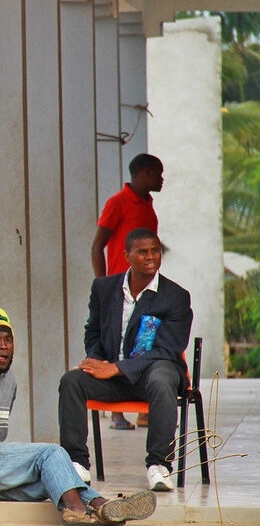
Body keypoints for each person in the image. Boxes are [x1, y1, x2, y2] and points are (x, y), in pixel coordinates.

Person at [0, 304, 156, 526]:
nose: (3, 346)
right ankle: (76, 512)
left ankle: (103, 506)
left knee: (51, 478)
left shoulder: (8, 380)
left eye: (8, 339)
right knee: (52, 453)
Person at [59, 228, 193, 492]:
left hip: (152, 375)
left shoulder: (175, 297)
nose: (150, 257)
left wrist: (116, 368)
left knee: (162, 377)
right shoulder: (104, 288)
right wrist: (95, 361)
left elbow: (167, 349)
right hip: (113, 378)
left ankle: (159, 465)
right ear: (127, 255)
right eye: (142, 252)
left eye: (155, 251)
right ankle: (76, 463)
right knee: (72, 381)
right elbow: (93, 331)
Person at [91, 153, 164, 431]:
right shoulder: (118, 202)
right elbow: (97, 245)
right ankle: (116, 413)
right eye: (158, 173)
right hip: (119, 288)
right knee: (114, 344)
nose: (161, 179)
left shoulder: (148, 206)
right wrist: (104, 287)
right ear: (144, 172)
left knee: (144, 341)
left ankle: (144, 408)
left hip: (145, 288)